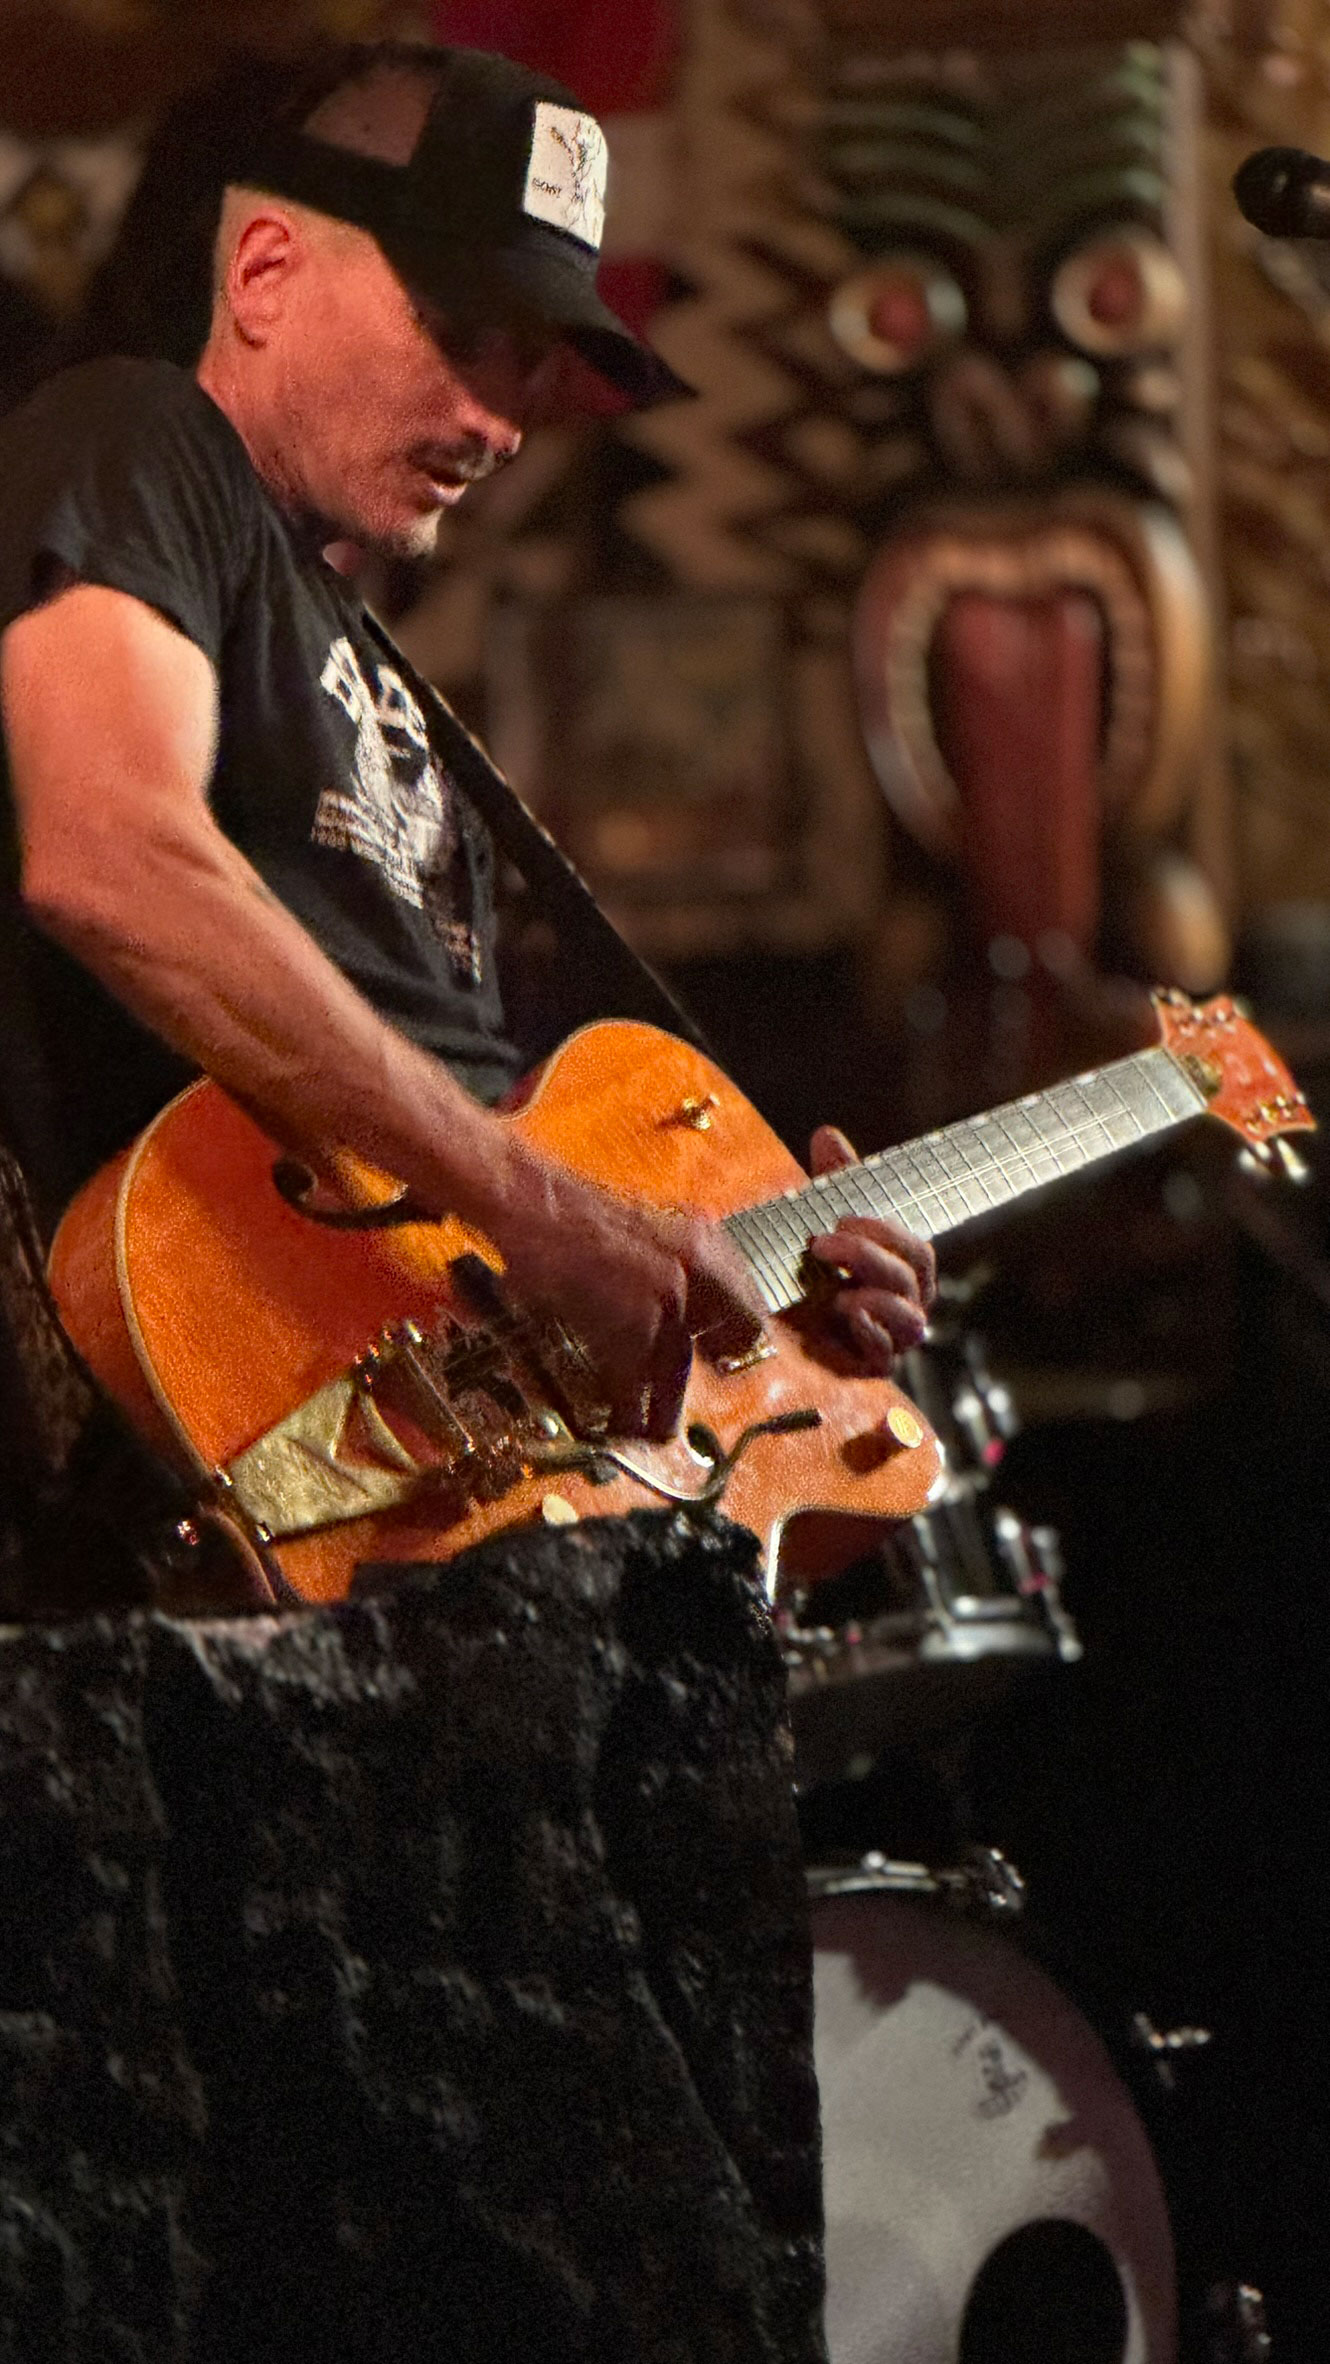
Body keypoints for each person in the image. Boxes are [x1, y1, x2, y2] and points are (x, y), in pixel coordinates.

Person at [0, 37, 934, 1460]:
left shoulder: (369, 668)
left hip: (448, 1437)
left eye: (526, 364)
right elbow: (109, 854)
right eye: (460, 331)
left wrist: (757, 1282)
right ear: (262, 272)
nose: (501, 422)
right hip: (219, 1392)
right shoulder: (141, 442)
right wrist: (534, 1207)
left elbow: (477, 1134)